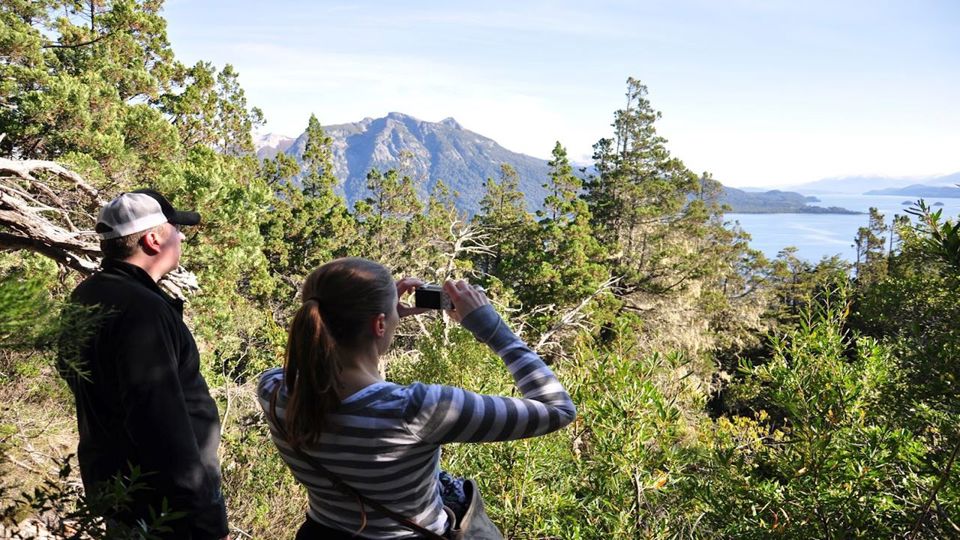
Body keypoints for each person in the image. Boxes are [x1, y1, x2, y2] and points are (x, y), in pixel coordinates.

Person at [256, 257, 577, 539]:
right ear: (379, 324)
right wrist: (492, 329)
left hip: (322, 533)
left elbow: (339, 379)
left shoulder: (274, 392)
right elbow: (557, 408)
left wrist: (377, 321)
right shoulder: (419, 409)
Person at [59, 189, 229, 539]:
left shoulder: (87, 294)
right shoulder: (143, 312)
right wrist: (205, 518)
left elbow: (74, 374)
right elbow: (160, 423)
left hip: (114, 486)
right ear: (153, 239)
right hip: (164, 507)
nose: (181, 236)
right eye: (175, 228)